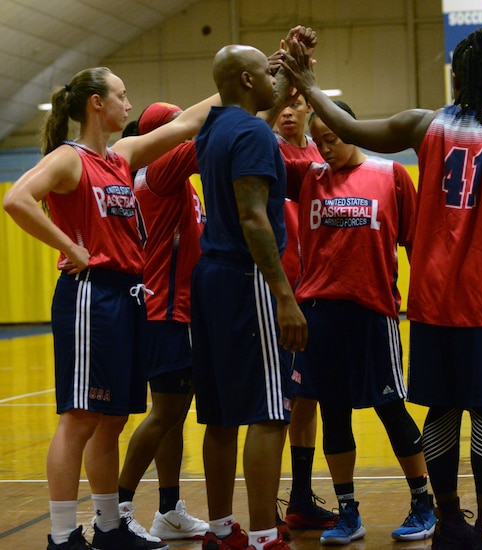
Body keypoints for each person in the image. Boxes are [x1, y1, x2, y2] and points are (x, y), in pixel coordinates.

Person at [280, 27, 482, 550]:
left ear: (455, 77)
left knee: (441, 409)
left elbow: (345, 125)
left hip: (434, 297)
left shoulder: (423, 125)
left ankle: (449, 522)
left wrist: (310, 84)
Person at [2, 67, 218, 550]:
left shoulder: (119, 158)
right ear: (96, 103)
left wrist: (248, 78)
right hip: (90, 295)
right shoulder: (69, 158)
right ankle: (62, 535)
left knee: (114, 417)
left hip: (129, 295)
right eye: (122, 96)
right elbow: (17, 200)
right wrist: (70, 247)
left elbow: (186, 126)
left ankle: (109, 527)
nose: (129, 104)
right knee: (80, 417)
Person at [285, 100, 436, 545]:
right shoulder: (309, 177)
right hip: (319, 315)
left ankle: (423, 502)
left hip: (372, 313)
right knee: (333, 413)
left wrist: (424, 301)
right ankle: (348, 511)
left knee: (391, 408)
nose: (325, 148)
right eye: (319, 141)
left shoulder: (391, 176)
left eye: (332, 138)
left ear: (353, 131)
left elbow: (415, 243)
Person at [190, 32, 314, 550]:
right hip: (248, 280)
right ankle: (265, 536)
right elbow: (254, 219)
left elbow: (261, 101)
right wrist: (284, 295)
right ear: (246, 80)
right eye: (265, 72)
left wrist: (290, 70)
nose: (273, 81)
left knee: (219, 415)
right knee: (269, 411)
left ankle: (222, 529)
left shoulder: (215, 129)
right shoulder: (256, 137)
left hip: (210, 278)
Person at [109, 103, 209, 543]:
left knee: (172, 414)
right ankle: (116, 509)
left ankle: (169, 509)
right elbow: (204, 135)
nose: (185, 134)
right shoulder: (160, 174)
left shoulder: (182, 186)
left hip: (177, 311)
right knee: (167, 411)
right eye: (176, 128)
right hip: (163, 310)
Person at [269, 94, 338, 533]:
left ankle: (299, 496)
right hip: (278, 291)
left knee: (307, 395)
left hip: (316, 291)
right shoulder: (265, 147)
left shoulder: (320, 151)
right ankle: (264, 507)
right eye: (283, 103)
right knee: (273, 401)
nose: (290, 110)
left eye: (298, 102)